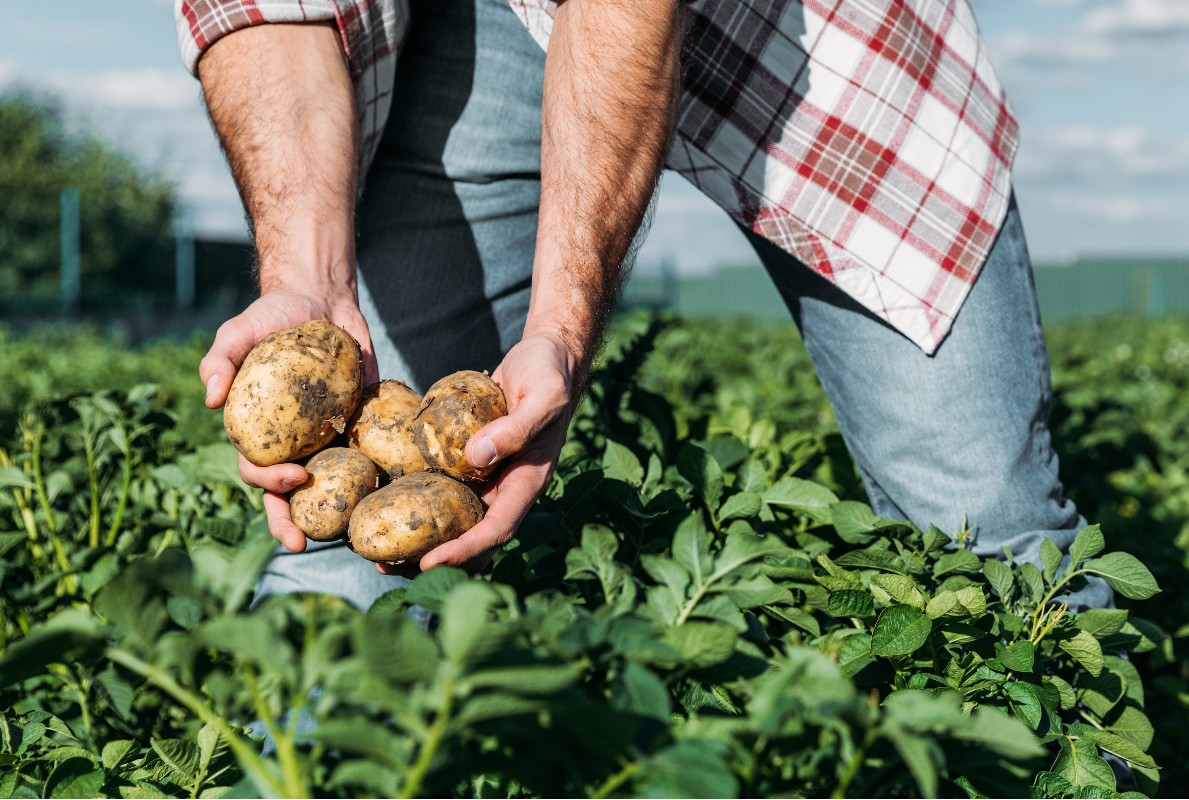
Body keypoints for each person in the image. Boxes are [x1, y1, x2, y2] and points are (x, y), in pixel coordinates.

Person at [179, 0, 1111, 611]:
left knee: (989, 532)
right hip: (470, 27)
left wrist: (558, 331)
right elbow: (263, 8)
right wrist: (307, 281)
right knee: (347, 549)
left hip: (808, 40)